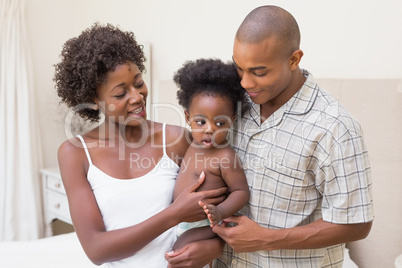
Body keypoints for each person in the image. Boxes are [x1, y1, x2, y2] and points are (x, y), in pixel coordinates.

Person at [168, 5, 374, 268]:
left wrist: (268, 239)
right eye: (239, 68)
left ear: (294, 59)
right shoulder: (233, 104)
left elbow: (357, 224)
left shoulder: (334, 127)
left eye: (259, 72)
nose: (245, 82)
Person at [54, 23, 227, 267]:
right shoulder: (75, 154)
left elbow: (217, 211)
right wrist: (174, 214)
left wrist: (215, 246)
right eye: (120, 93)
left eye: (138, 82)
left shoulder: (178, 139)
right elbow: (96, 249)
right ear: (93, 100)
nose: (137, 97)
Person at [170, 59, 250, 251]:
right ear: (188, 117)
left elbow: (241, 192)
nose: (209, 130)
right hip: (179, 220)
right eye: (201, 122)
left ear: (231, 121)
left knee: (179, 250)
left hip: (206, 224)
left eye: (220, 124)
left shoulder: (225, 156)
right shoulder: (190, 144)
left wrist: (220, 211)